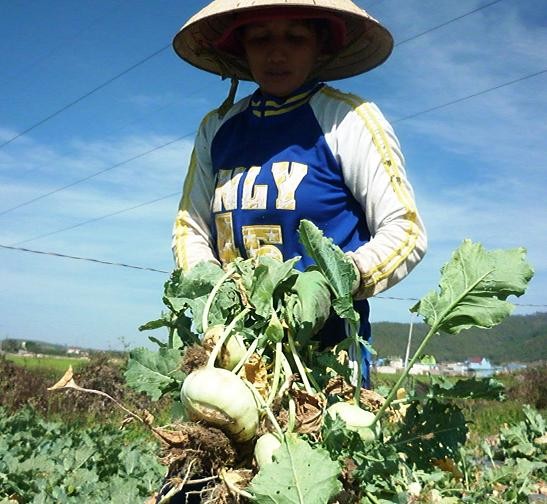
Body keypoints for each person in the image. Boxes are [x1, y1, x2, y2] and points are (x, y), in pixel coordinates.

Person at [171, 0, 427, 386]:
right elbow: (191, 228)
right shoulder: (218, 127)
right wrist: (210, 291)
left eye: (296, 37)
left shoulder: (347, 119)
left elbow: (404, 230)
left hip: (329, 364)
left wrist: (338, 280)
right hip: (235, 359)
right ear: (241, 46)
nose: (276, 52)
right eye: (260, 38)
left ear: (321, 45)